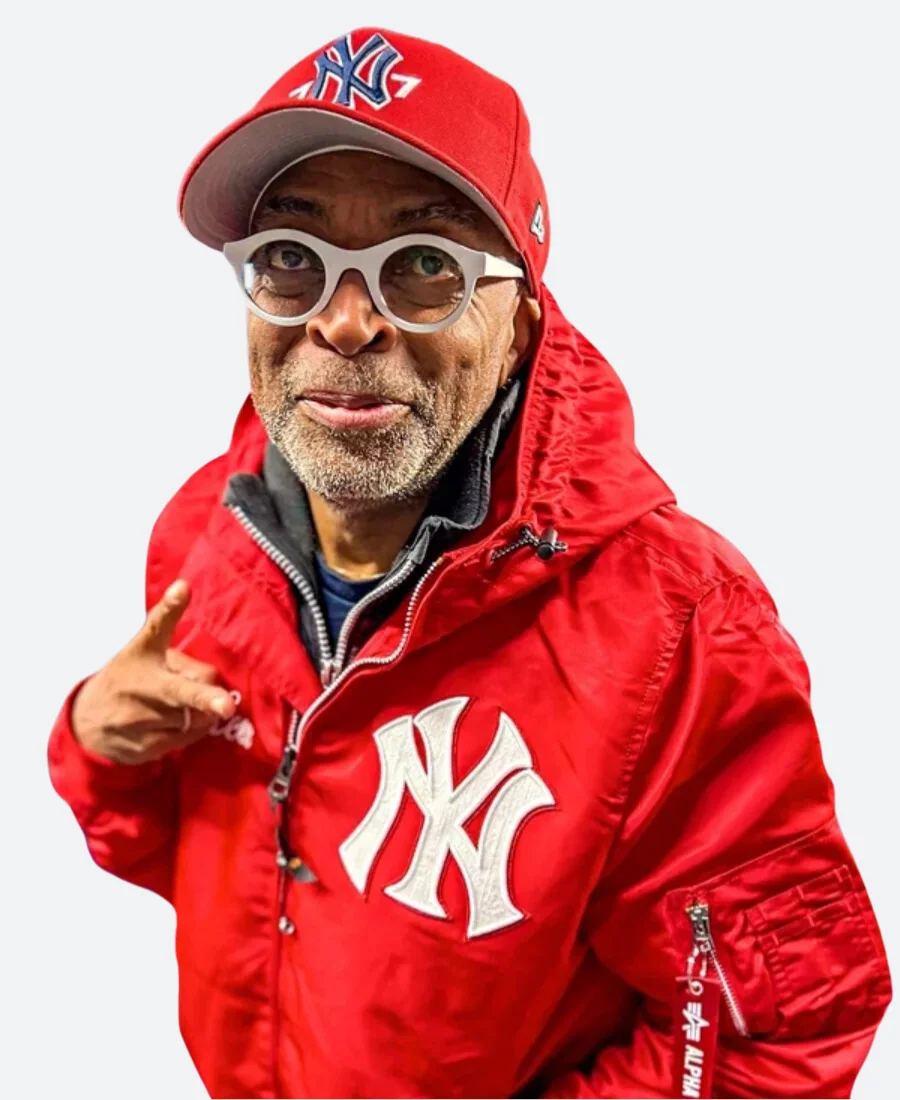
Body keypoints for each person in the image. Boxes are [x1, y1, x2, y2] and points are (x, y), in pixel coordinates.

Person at [48, 25, 891, 1100]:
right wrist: (95, 746)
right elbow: (220, 864)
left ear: (523, 320)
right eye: (292, 259)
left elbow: (780, 1029)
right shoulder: (207, 532)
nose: (344, 321)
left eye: (423, 267)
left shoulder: (679, 631)